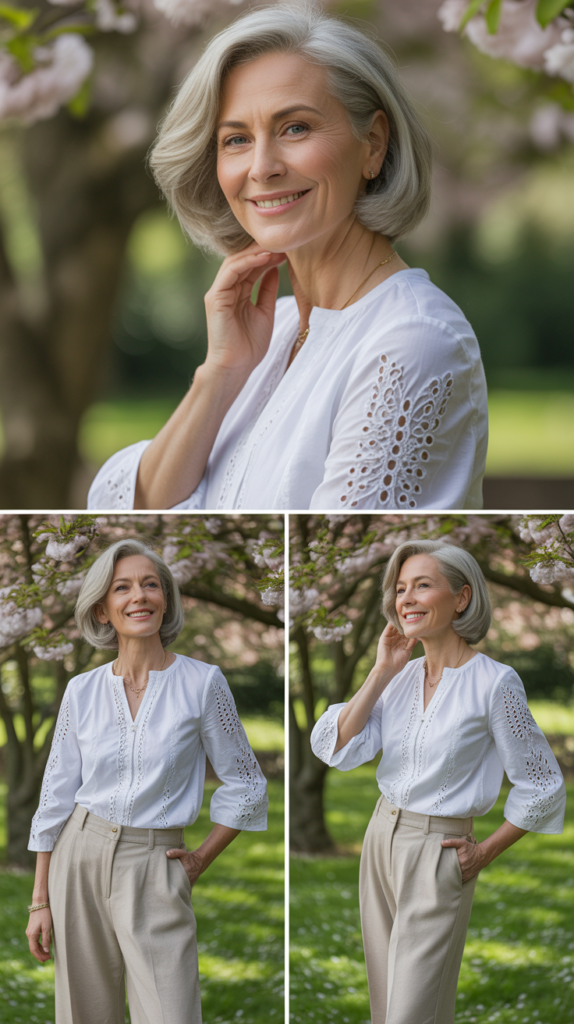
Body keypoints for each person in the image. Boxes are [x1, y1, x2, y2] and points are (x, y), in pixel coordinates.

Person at [87, 4, 487, 513]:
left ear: (374, 145)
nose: (262, 167)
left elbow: (323, 554)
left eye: (295, 128)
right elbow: (129, 510)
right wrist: (221, 373)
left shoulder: (411, 341)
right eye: (236, 139)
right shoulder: (270, 331)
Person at [310, 539, 566, 1024]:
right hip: (380, 837)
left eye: (422, 585)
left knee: (412, 1010)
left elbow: (541, 784)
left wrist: (485, 851)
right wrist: (382, 669)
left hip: (440, 850)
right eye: (400, 588)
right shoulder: (399, 677)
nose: (405, 598)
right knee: (387, 1005)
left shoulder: (495, 682)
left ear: (462, 598)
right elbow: (336, 747)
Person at [25, 538, 268, 1024]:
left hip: (156, 863)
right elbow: (55, 796)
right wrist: (40, 901)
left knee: (171, 1012)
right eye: (123, 587)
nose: (139, 595)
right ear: (102, 611)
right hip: (79, 853)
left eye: (150, 584)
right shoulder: (82, 690)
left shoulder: (203, 683)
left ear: (166, 600)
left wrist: (200, 859)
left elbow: (247, 783)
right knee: (85, 1013)